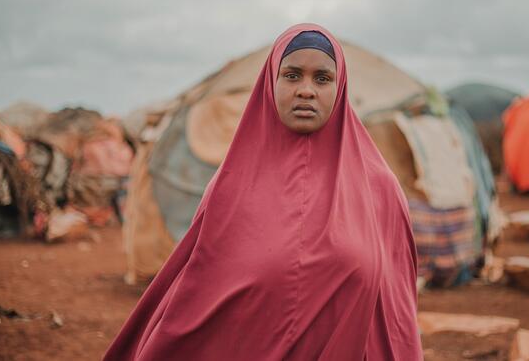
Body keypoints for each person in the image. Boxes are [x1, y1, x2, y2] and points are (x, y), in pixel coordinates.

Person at [104, 23, 423, 360]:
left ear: (340, 87)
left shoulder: (379, 191)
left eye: (322, 79)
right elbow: (194, 298)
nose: (306, 90)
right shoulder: (230, 189)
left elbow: (395, 315)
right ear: (270, 84)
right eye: (292, 75)